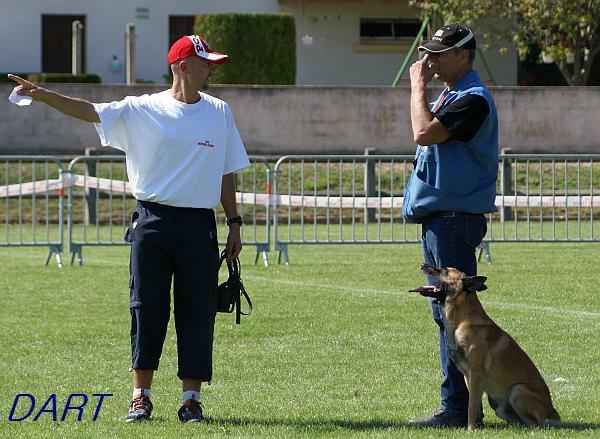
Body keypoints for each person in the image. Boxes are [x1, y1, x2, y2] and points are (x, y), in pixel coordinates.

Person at [8, 34, 250, 423]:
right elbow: (90, 110)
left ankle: (191, 400)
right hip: (151, 222)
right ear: (183, 66)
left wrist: (234, 222)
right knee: (147, 308)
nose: (212, 70)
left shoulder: (219, 112)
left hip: (199, 226)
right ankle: (141, 396)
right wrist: (42, 95)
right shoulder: (142, 109)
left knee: (197, 312)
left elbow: (226, 171)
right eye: (207, 63)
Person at [402, 24, 498, 428]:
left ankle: (458, 408)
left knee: (456, 317)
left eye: (440, 54)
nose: (432, 61)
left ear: (465, 55)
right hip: (444, 219)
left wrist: (416, 86)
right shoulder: (456, 96)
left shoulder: (472, 100)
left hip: (454, 221)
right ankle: (463, 404)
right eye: (430, 53)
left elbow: (422, 133)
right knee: (447, 316)